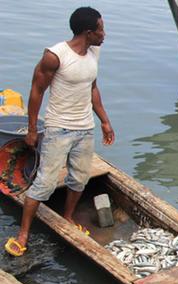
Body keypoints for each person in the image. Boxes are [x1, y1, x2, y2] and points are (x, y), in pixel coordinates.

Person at [5, 6, 114, 257]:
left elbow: (92, 87)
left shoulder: (94, 51)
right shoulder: (55, 56)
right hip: (58, 129)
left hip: (85, 128)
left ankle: (67, 217)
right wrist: (32, 129)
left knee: (80, 178)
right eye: (101, 29)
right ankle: (23, 234)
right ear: (88, 32)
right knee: (44, 182)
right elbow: (36, 90)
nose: (104, 34)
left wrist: (105, 121)